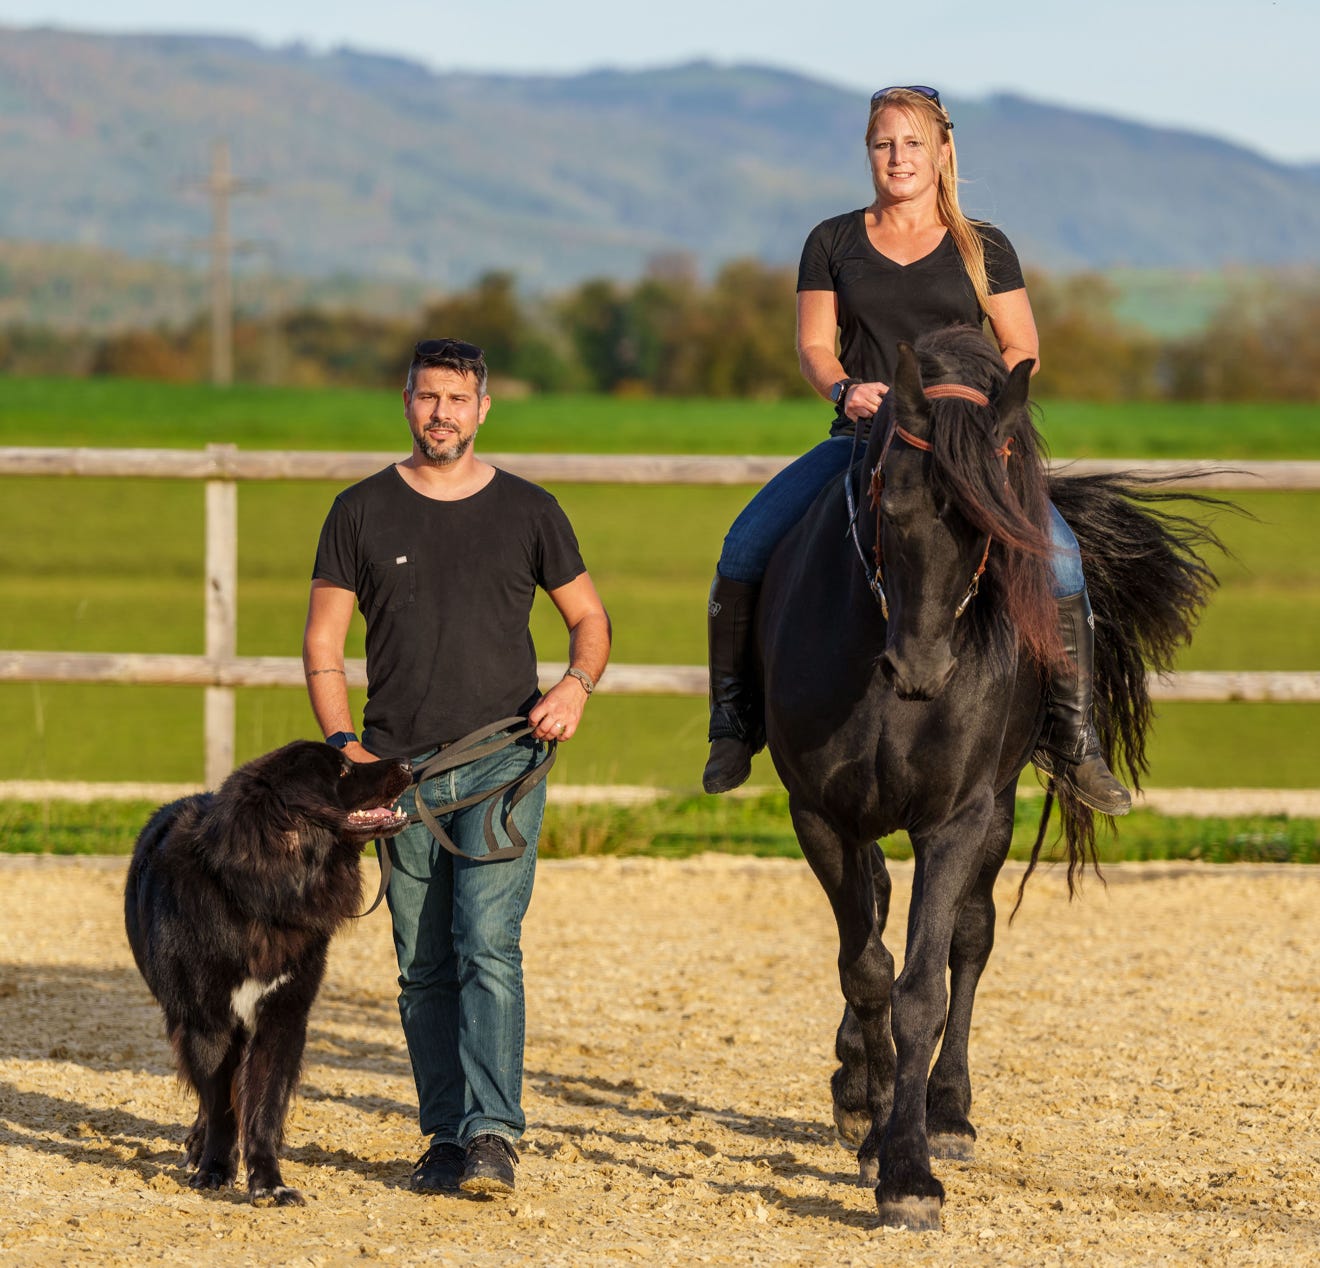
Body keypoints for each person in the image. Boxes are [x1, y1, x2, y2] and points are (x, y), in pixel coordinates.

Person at [702, 85, 1131, 816]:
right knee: (744, 548)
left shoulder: (981, 245)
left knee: (1059, 559)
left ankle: (1075, 742)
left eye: (911, 143)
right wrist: (844, 390)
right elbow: (812, 345)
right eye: (883, 144)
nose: (897, 158)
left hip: (966, 452)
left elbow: (1022, 345)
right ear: (868, 152)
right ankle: (733, 727)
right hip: (865, 441)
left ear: (942, 152)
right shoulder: (831, 241)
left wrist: (988, 409)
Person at [303, 337, 611, 1197]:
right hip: (397, 770)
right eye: (428, 397)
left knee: (485, 942)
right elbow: (324, 641)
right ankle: (443, 1133)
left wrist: (576, 687)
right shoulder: (358, 511)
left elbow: (590, 619)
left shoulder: (531, 510)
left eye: (458, 399)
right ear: (407, 403)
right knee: (421, 959)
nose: (442, 413)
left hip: (503, 761)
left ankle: (491, 1136)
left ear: (483, 409)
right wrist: (342, 748)